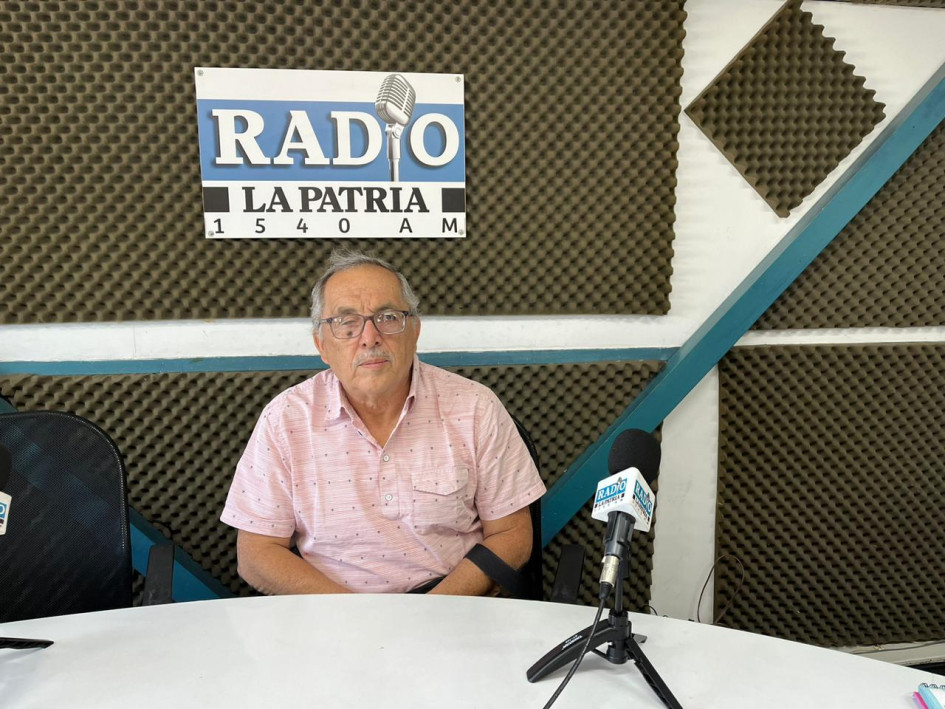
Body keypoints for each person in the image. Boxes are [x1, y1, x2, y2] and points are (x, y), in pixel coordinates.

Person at [221, 250, 545, 595]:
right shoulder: (285, 419)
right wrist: (359, 619)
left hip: (454, 609)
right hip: (333, 618)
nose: (370, 336)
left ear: (414, 330)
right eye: (346, 323)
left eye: (388, 317)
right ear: (322, 344)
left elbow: (512, 534)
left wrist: (436, 610)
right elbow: (256, 554)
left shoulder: (476, 407)